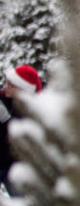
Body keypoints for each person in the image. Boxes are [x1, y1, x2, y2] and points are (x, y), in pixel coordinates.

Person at [1, 64, 42, 197]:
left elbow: (17, 138)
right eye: (7, 83)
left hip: (15, 166)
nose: (6, 87)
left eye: (11, 85)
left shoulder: (34, 109)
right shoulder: (4, 99)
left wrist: (6, 120)